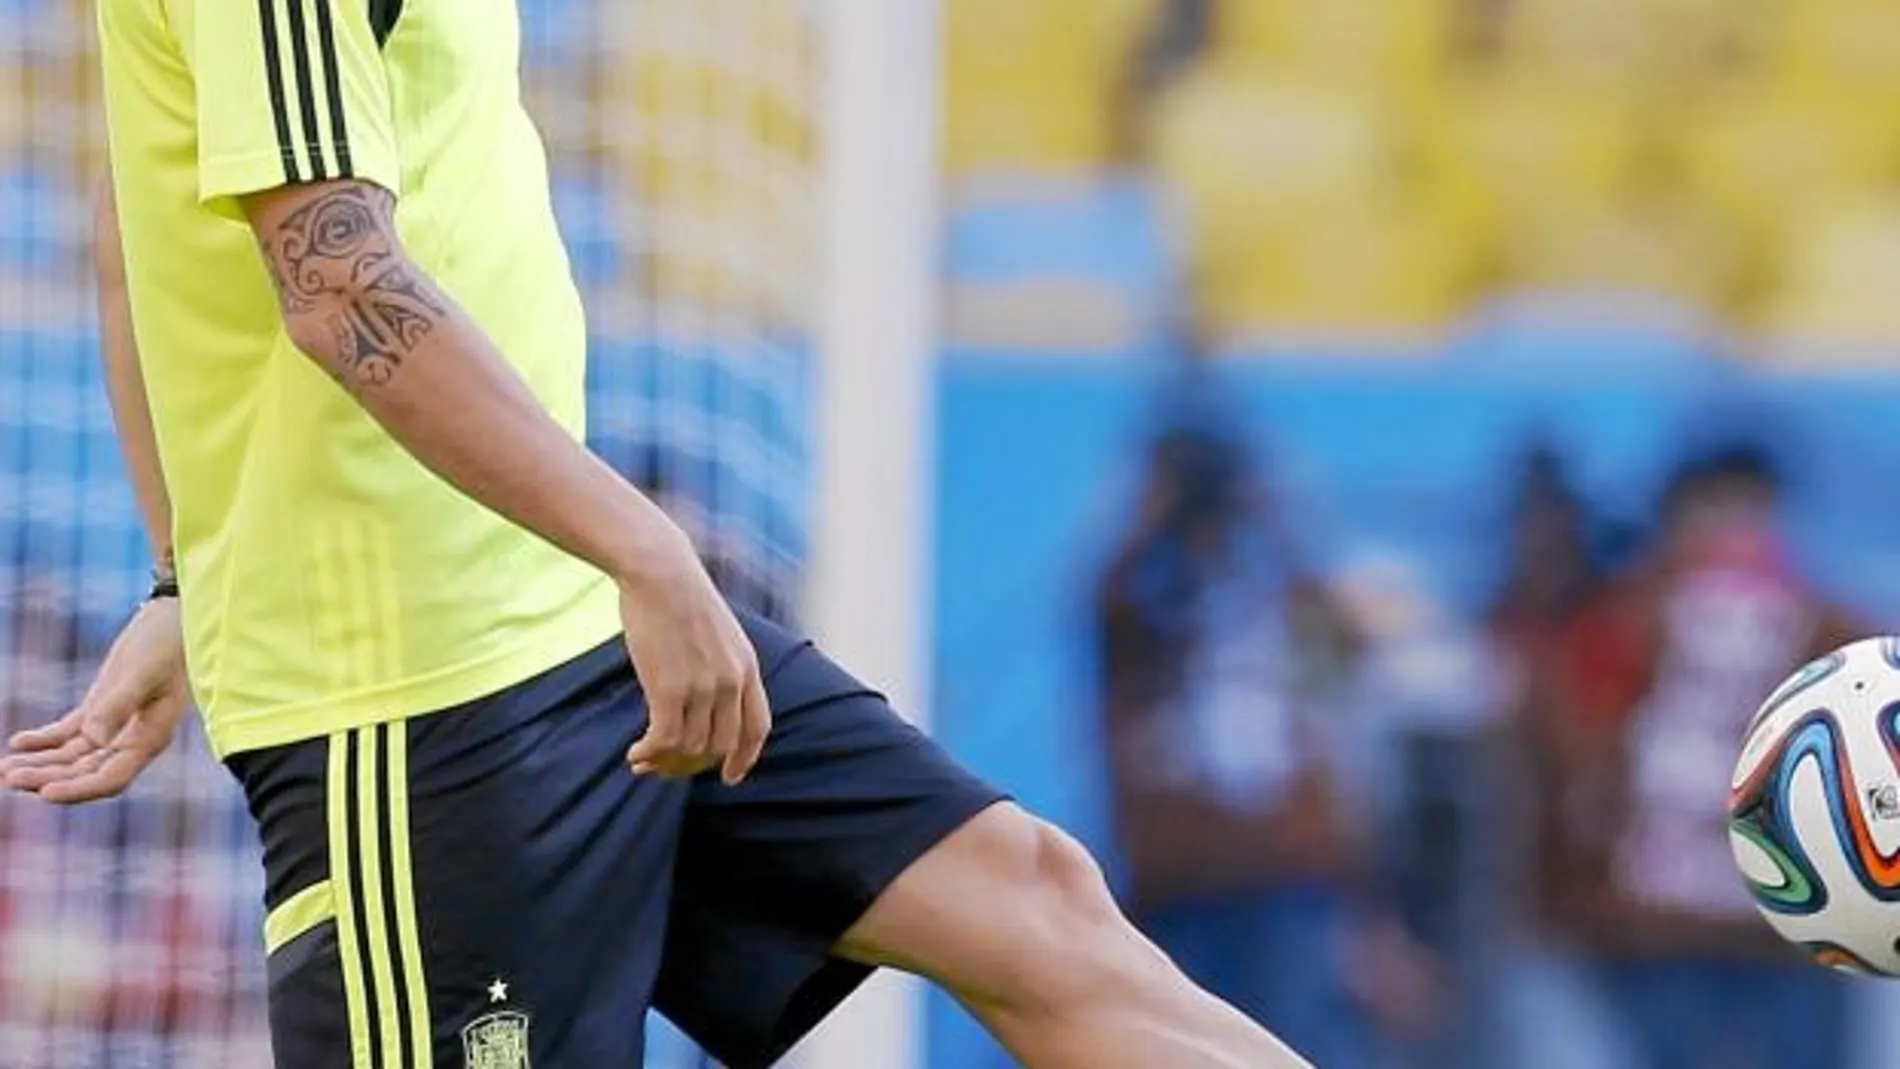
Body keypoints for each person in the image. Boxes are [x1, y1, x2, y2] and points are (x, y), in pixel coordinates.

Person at [0, 3, 1313, 1068]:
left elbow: (134, 221)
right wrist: (647, 547)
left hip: (562, 614)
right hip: (411, 708)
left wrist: (184, 575)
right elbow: (339, 288)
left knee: (1038, 909)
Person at [1096, 413, 1431, 1067]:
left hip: (1289, 884)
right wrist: (1154, 522)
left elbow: (1339, 684)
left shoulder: (1284, 600)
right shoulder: (1143, 606)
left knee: (1294, 1046)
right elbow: (1105, 625)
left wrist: (1279, 523)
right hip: (1186, 885)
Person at [1545, 445, 1857, 1069]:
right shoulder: (1625, 624)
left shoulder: (1829, 629)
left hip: (1780, 936)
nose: (1733, 537)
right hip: (1661, 928)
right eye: (1717, 512)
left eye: (1751, 513)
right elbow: (1578, 767)